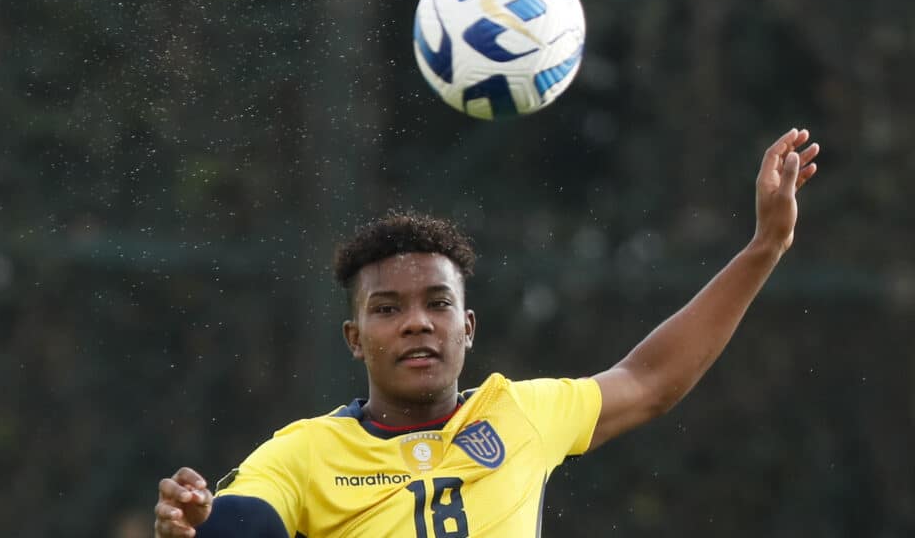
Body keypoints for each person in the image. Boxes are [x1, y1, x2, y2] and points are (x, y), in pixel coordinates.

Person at [154, 128, 820, 537]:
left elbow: (649, 381)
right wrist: (193, 526)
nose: (417, 320)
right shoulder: (303, 453)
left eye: (437, 303)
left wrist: (766, 244)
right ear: (355, 339)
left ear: (467, 327)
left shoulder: (519, 414)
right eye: (387, 309)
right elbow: (242, 525)